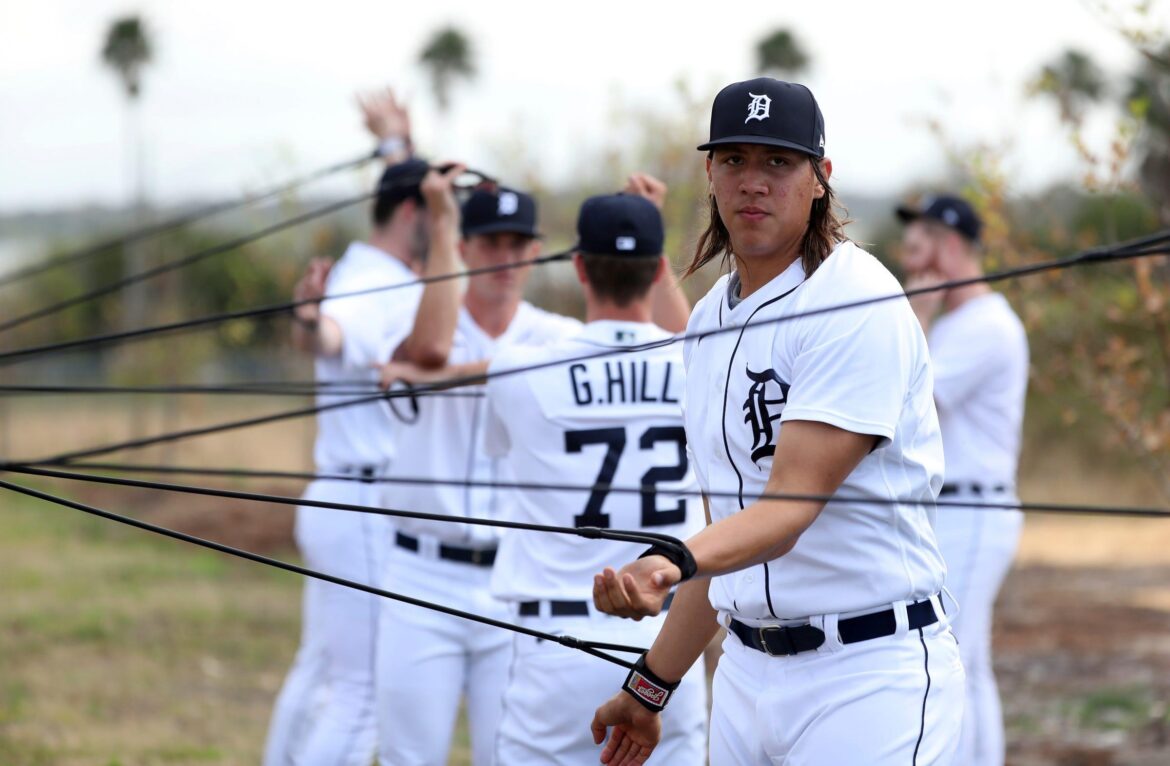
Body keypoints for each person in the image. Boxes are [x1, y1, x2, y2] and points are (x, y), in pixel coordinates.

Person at [587, 77, 965, 766]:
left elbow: (788, 509)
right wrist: (649, 687)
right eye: (734, 160)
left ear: (820, 178)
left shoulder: (855, 299)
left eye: (777, 162)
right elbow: (725, 542)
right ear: (709, 173)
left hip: (866, 674)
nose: (752, 182)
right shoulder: (707, 322)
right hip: (746, 673)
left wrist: (668, 563)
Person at [476, 186, 707, 765]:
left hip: (556, 645)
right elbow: (690, 343)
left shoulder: (517, 368)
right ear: (659, 271)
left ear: (578, 266)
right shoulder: (700, 364)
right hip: (668, 647)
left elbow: (497, 447)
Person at [372, 177, 584, 766]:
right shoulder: (412, 317)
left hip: (515, 579)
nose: (506, 259)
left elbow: (659, 344)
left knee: (510, 756)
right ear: (463, 250)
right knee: (407, 755)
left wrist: (459, 375)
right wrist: (440, 223)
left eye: (519, 244)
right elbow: (433, 350)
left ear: (536, 252)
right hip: (421, 573)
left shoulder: (558, 335)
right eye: (490, 243)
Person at [262, 88, 428, 766]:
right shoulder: (372, 284)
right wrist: (308, 319)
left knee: (322, 672)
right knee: (362, 694)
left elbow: (416, 187)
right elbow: (332, 336)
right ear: (413, 213)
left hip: (342, 497)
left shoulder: (377, 268)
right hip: (362, 504)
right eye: (441, 214)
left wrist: (397, 140)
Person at [897, 195, 1029, 766]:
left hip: (976, 507)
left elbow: (911, 398)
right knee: (963, 656)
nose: (910, 264)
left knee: (959, 657)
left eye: (919, 249)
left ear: (950, 248)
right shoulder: (961, 323)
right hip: (953, 510)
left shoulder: (987, 324)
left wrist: (915, 316)